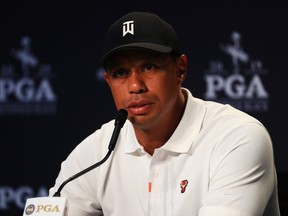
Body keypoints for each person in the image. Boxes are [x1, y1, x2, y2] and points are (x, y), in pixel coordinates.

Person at [49, 11, 281, 216]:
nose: (135, 86)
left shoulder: (237, 137)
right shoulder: (96, 153)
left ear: (180, 70)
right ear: (108, 82)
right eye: (121, 73)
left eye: (148, 67)